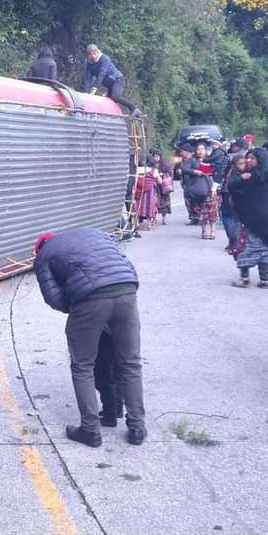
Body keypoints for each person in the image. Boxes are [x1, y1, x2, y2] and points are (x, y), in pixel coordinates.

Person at [33, 228, 146, 447]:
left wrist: (80, 308)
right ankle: (137, 427)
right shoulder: (96, 235)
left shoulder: (43, 257)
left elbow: (54, 298)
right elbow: (126, 266)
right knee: (131, 362)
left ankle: (90, 430)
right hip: (127, 291)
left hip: (90, 299)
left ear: (39, 249)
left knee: (82, 365)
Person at [226, 148, 268, 288]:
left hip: (250, 217)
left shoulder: (249, 176)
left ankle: (244, 278)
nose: (248, 161)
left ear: (259, 160)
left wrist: (240, 179)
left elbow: (231, 187)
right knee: (266, 247)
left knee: (245, 247)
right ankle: (264, 280)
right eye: (247, 158)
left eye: (252, 158)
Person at [81, 44, 140, 116]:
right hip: (110, 85)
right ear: (88, 55)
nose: (93, 56)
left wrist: (94, 88)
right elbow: (88, 79)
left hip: (118, 80)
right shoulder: (88, 63)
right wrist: (86, 93)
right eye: (90, 54)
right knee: (106, 99)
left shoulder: (104, 59)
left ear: (97, 52)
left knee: (115, 97)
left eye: (94, 53)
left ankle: (134, 108)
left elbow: (102, 74)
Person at [180, 143, 213, 227]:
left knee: (205, 202)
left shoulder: (210, 159)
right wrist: (194, 171)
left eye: (202, 149)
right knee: (192, 201)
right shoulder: (192, 160)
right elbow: (184, 169)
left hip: (205, 183)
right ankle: (194, 218)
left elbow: (211, 171)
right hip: (193, 184)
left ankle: (205, 219)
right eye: (198, 149)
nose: (200, 151)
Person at [136, 156, 160, 230]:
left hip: (139, 191)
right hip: (150, 191)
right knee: (150, 207)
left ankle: (137, 223)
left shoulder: (137, 169)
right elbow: (160, 181)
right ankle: (149, 225)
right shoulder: (154, 170)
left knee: (138, 206)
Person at [153, 150, 174, 224]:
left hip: (163, 186)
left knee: (164, 202)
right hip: (155, 186)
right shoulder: (151, 165)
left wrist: (163, 174)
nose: (156, 158)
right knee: (154, 202)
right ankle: (153, 218)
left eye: (157, 156)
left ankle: (164, 217)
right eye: (154, 156)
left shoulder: (164, 164)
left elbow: (170, 173)